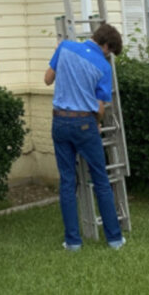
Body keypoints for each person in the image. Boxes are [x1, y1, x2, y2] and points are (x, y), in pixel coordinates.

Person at [44, 22, 125, 251]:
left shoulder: (65, 47)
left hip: (59, 121)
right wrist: (96, 123)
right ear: (106, 46)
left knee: (67, 181)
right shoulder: (104, 67)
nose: (108, 56)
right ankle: (114, 239)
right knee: (100, 180)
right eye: (110, 52)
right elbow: (99, 108)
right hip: (84, 124)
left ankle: (72, 242)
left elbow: (47, 79)